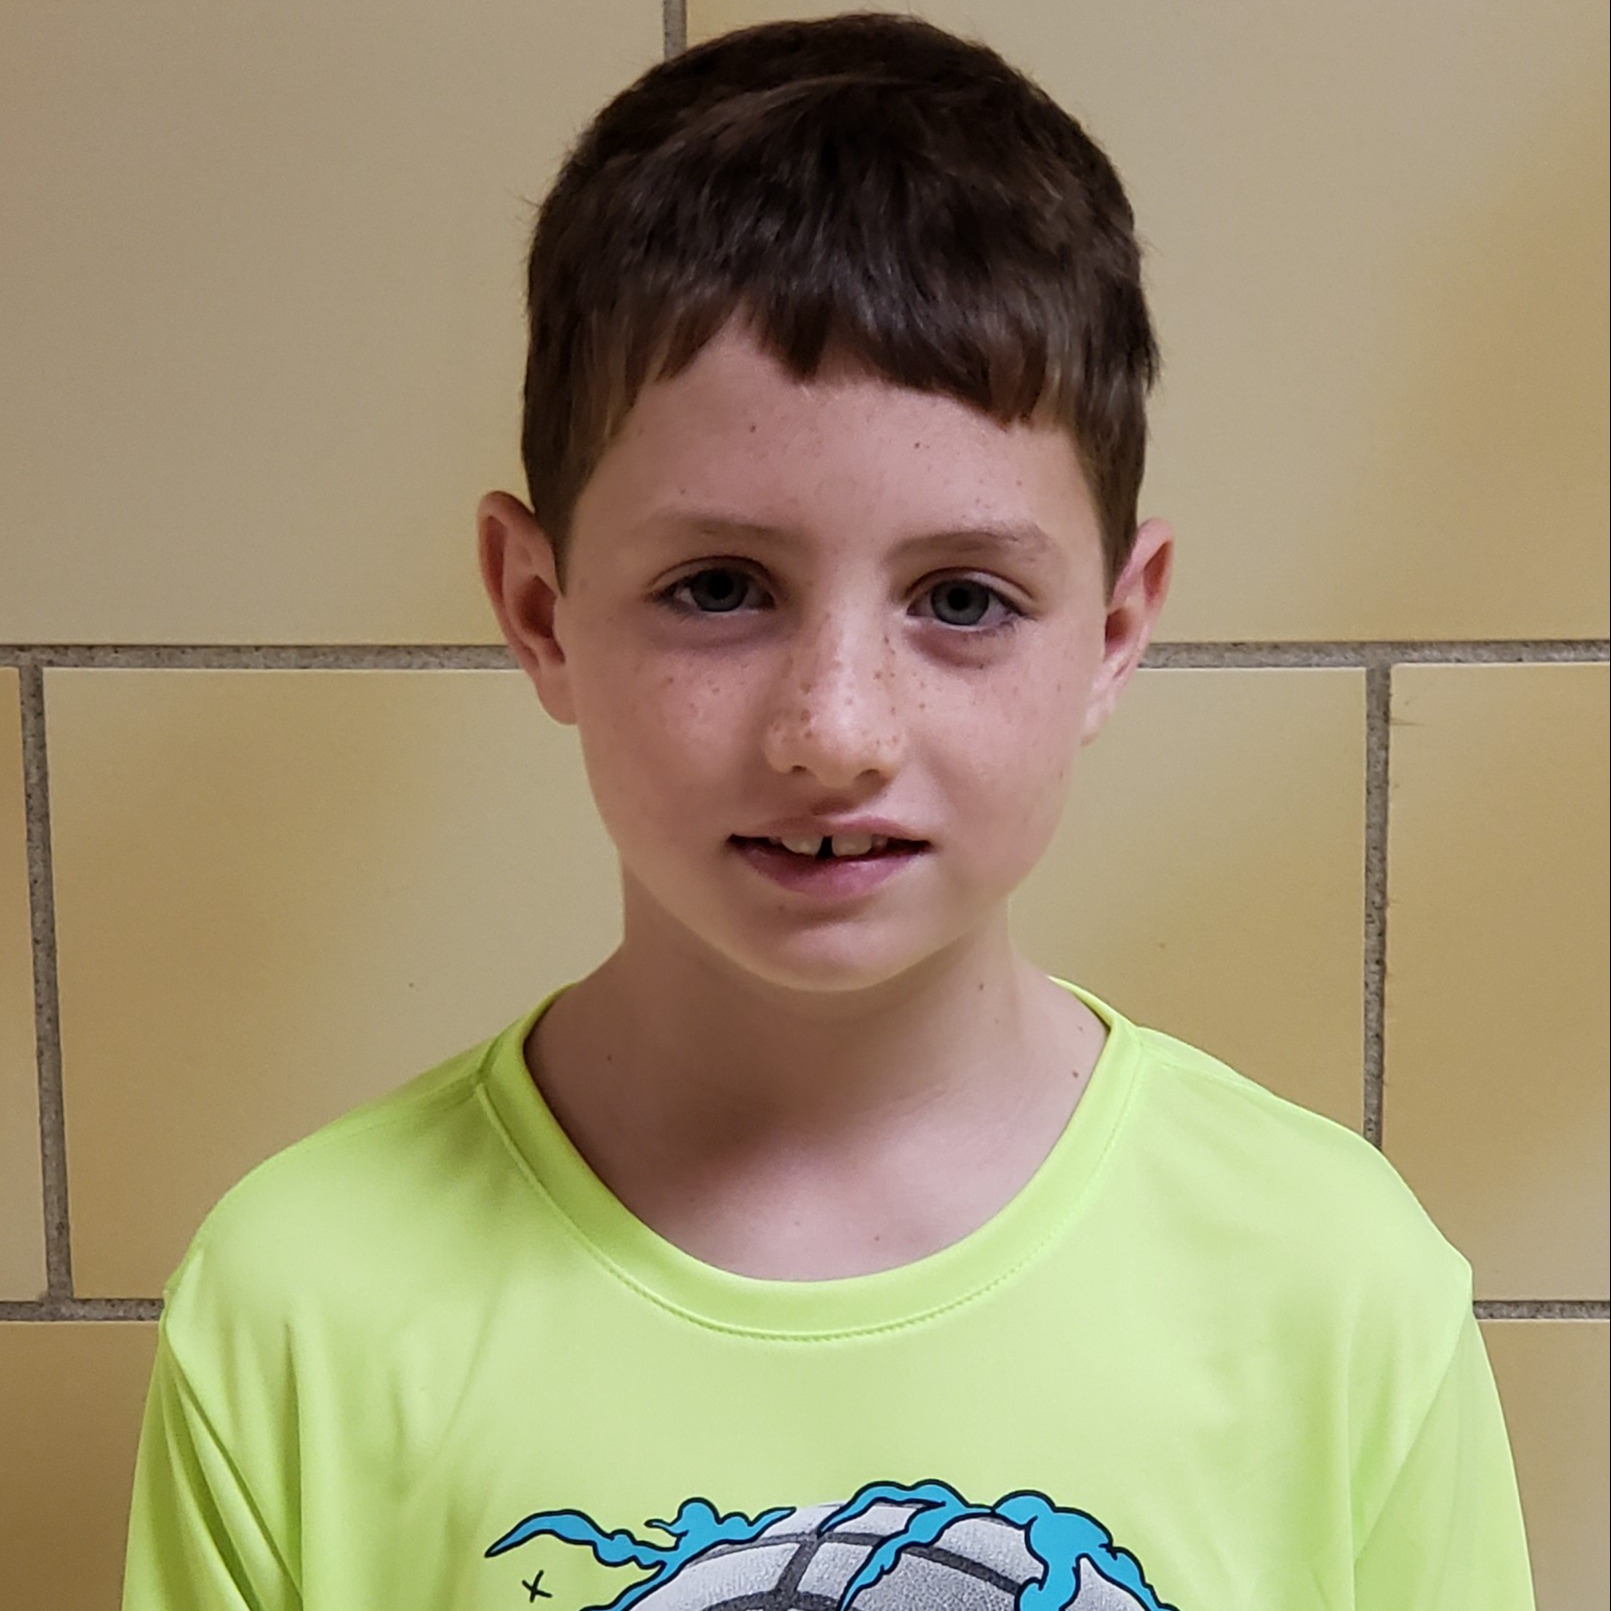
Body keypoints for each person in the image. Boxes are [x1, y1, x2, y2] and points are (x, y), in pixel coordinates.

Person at [121, 14, 1535, 1609]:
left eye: (964, 598)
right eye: (720, 588)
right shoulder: (301, 1313)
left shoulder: (1332, 1295)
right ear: (538, 607)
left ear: (1116, 635)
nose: (834, 732)